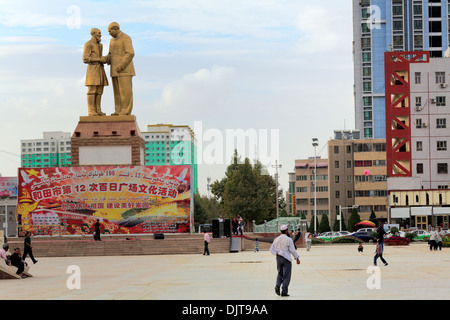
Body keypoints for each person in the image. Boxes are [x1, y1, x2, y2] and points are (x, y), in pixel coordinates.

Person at [106, 22, 135, 116]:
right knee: (117, 92)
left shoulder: (126, 38)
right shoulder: (111, 41)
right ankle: (118, 110)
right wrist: (103, 59)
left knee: (125, 92)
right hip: (114, 70)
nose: (109, 33)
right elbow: (110, 54)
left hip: (124, 70)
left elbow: (130, 53)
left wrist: (122, 65)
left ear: (115, 29)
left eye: (110, 31)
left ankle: (125, 110)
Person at [83, 27, 108, 116]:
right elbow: (85, 59)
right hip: (92, 69)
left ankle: (98, 110)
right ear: (93, 34)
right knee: (92, 90)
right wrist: (99, 59)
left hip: (100, 69)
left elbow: (100, 57)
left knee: (100, 90)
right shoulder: (88, 44)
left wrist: (105, 58)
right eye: (99, 33)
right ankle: (91, 110)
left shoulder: (100, 45)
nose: (100, 35)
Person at [270, 225, 300, 297]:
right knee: (286, 275)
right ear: (286, 231)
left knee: (280, 273)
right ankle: (284, 292)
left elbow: (271, 249)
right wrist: (297, 258)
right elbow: (292, 250)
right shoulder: (288, 239)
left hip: (278, 258)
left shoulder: (276, 239)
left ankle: (277, 285)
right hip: (286, 258)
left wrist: (277, 253)